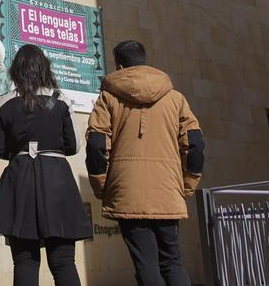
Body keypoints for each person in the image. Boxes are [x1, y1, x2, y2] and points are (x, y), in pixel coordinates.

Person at [86, 40, 204, 286]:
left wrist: (101, 186)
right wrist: (188, 184)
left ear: (119, 65)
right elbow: (195, 144)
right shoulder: (176, 99)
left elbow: (97, 145)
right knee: (173, 261)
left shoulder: (107, 98)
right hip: (167, 190)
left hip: (127, 190)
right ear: (144, 60)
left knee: (145, 264)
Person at [0, 44, 92, 285]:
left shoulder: (3, 102)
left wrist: (21, 152)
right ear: (44, 69)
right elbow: (74, 145)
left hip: (19, 181)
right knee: (64, 262)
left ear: (16, 71)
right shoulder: (61, 100)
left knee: (24, 262)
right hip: (57, 181)